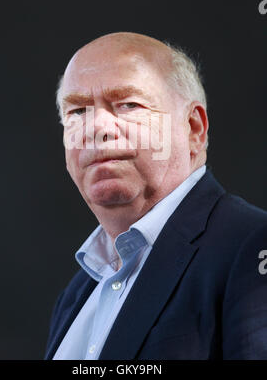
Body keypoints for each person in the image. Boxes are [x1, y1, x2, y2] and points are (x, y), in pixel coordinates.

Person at [45, 32, 267, 360]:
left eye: (128, 104)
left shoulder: (252, 249)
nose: (96, 127)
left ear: (194, 128)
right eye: (77, 111)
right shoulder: (76, 294)